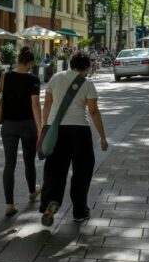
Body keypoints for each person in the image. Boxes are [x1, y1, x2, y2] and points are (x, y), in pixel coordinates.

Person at [39, 51, 108, 226]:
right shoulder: (87, 84)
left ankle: (50, 204)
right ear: (86, 67)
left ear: (71, 63)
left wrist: (45, 127)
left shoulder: (55, 78)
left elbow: (47, 104)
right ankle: (79, 210)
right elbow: (93, 111)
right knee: (82, 172)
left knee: (54, 169)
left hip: (57, 130)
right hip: (80, 132)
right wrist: (102, 137)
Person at [0, 46, 42, 217]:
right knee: (29, 161)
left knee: (9, 164)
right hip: (28, 125)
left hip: (9, 125)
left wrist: (4, 97)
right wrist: (40, 127)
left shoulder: (4, 76)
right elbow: (35, 104)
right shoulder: (33, 79)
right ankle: (33, 191)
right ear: (30, 62)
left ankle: (9, 204)